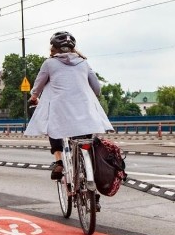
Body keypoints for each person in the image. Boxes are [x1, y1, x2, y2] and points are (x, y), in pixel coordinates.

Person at [25, 31, 114, 181]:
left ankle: (59, 162)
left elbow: (38, 87)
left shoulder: (49, 63)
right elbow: (97, 88)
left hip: (61, 111)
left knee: (52, 127)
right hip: (85, 112)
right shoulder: (83, 63)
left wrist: (34, 97)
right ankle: (90, 172)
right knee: (86, 140)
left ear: (53, 48)